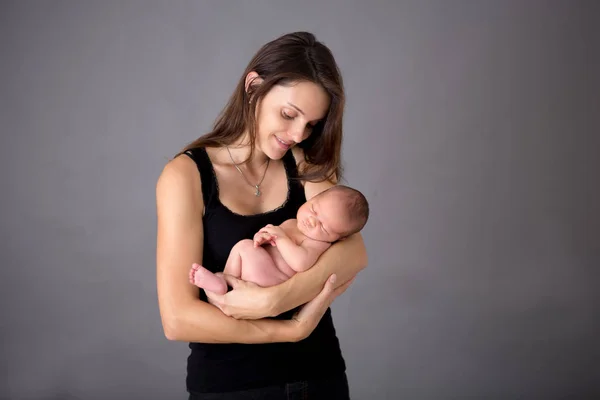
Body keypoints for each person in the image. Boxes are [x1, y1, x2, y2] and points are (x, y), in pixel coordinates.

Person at [156, 31, 368, 399]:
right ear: (253, 85)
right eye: (289, 114)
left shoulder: (305, 163)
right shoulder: (186, 176)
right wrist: (288, 328)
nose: (298, 134)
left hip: (319, 378)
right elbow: (177, 319)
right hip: (231, 388)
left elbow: (354, 253)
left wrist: (274, 301)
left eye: (312, 124)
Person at [189, 185, 369, 295]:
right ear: (312, 198)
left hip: (273, 280)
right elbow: (273, 243)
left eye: (323, 226)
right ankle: (222, 282)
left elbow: (300, 263)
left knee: (245, 249)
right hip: (259, 269)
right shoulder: (293, 222)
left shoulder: (318, 243)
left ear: (338, 238)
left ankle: (224, 284)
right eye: (314, 209)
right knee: (243, 246)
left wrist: (282, 238)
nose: (312, 221)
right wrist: (263, 238)